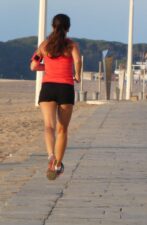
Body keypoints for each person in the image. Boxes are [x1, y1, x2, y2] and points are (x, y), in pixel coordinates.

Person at [30, 14, 82, 180]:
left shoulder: (44, 45)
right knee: (62, 129)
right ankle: (58, 164)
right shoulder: (71, 45)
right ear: (68, 28)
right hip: (65, 88)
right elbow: (77, 61)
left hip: (48, 88)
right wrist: (77, 75)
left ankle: (50, 156)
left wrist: (48, 66)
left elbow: (34, 65)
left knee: (48, 126)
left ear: (53, 26)